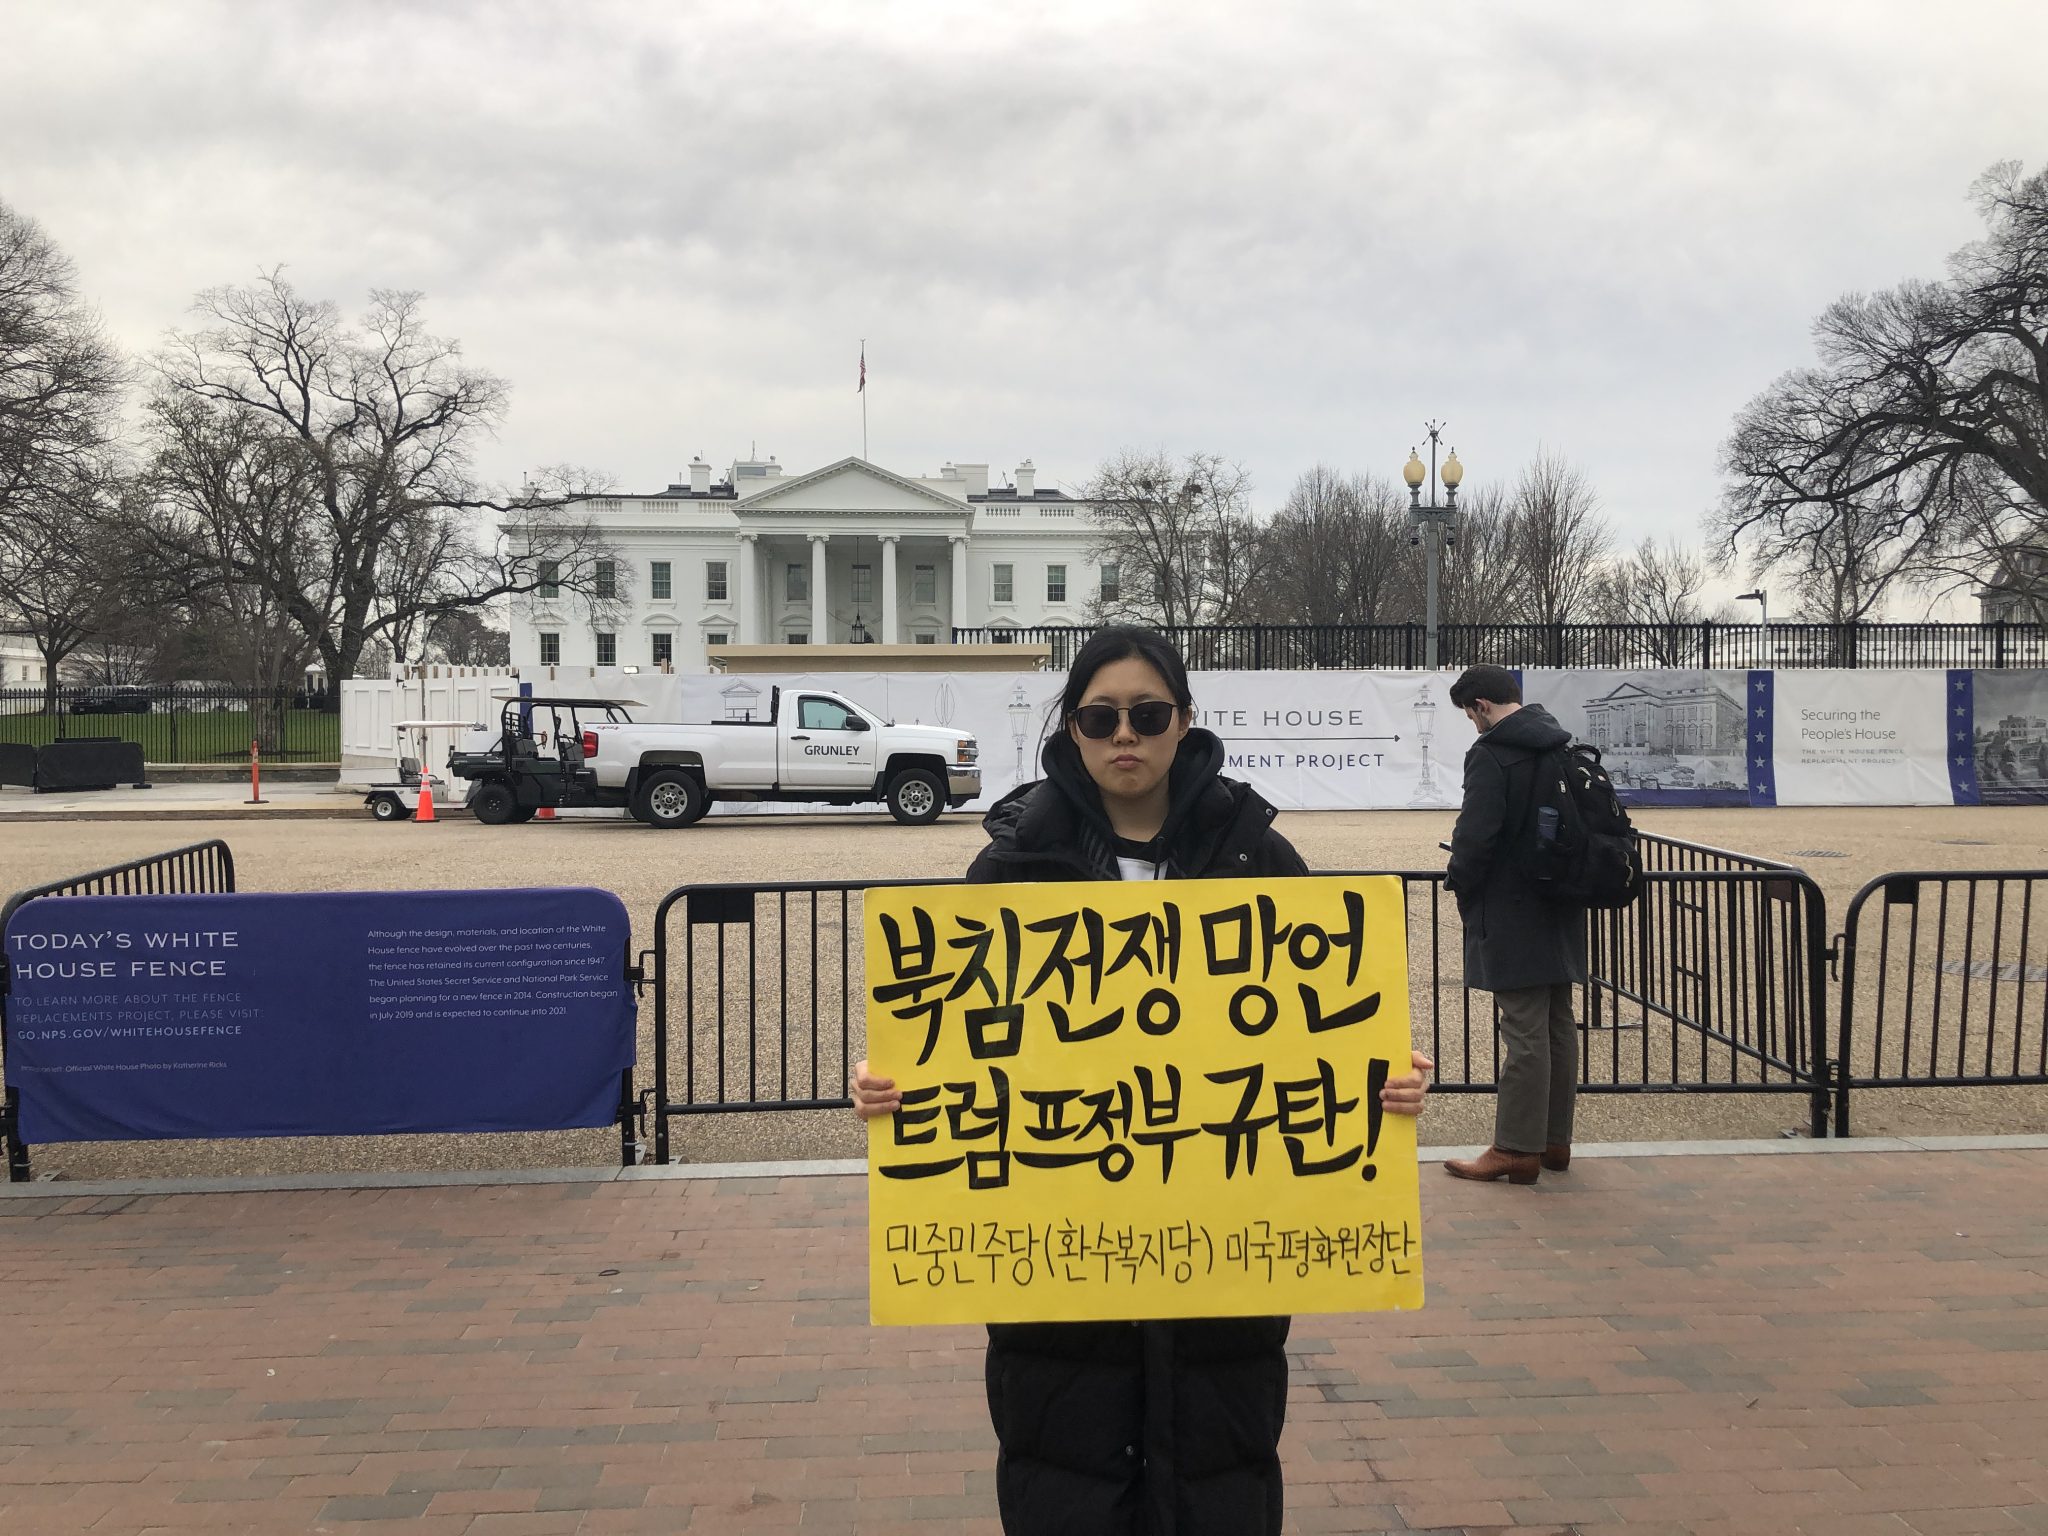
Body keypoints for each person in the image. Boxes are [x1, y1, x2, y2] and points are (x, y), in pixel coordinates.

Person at [852, 625, 1432, 1536]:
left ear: (1184, 721)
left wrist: (1383, 1082)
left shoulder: (1259, 856)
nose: (1125, 734)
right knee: (1068, 1493)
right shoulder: (1009, 868)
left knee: (1218, 1493)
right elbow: (958, 1039)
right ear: (1073, 729)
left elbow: (1319, 1033)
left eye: (1148, 714)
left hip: (1222, 1273)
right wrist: (894, 1087)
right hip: (1059, 1276)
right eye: (1100, 717)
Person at [1442, 664, 1586, 1186]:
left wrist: (1459, 879)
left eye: (1470, 714)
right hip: (1561, 899)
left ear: (1480, 706)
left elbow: (1476, 834)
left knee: (1523, 1027)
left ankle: (1515, 1148)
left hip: (1511, 904)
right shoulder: (1561, 743)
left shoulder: (1492, 753)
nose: (1472, 723)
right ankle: (1554, 1140)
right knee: (1557, 1024)